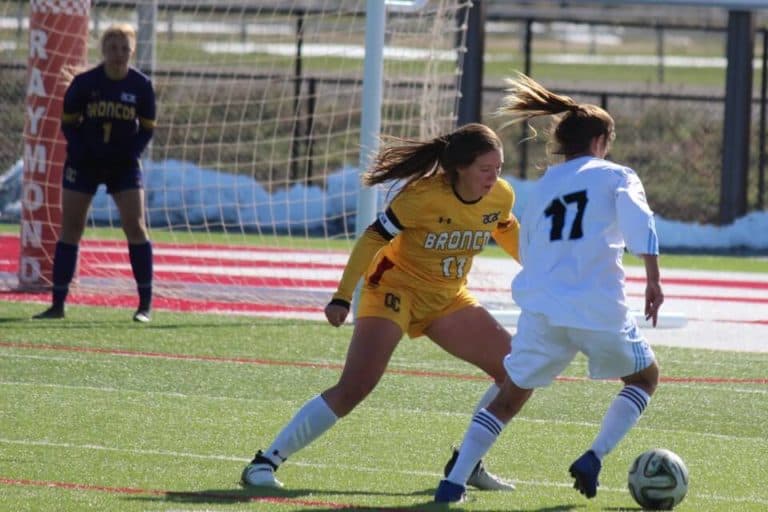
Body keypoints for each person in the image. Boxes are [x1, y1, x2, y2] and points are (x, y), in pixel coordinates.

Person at [241, 123, 521, 491]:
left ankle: (467, 463)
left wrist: (544, 273)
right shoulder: (421, 196)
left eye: (498, 168)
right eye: (486, 169)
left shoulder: (501, 195)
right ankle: (264, 463)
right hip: (393, 290)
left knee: (516, 370)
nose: (493, 177)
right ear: (460, 168)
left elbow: (506, 229)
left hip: (448, 297)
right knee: (357, 385)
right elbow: (372, 238)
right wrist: (342, 295)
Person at [435, 73, 663, 503]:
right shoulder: (616, 175)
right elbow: (639, 221)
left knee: (508, 398)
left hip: (543, 309)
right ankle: (594, 455)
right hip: (598, 306)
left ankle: (453, 482)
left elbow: (530, 245)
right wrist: (653, 276)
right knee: (644, 378)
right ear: (599, 140)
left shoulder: (543, 187)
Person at [33, 23, 157, 323]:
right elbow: (69, 123)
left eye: (124, 49)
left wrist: (131, 153)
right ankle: (58, 304)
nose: (118, 55)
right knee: (71, 227)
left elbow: (147, 128)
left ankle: (144, 306)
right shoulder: (85, 83)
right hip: (84, 164)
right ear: (103, 51)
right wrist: (81, 150)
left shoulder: (141, 86)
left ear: (132, 50)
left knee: (135, 226)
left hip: (123, 166)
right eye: (112, 49)